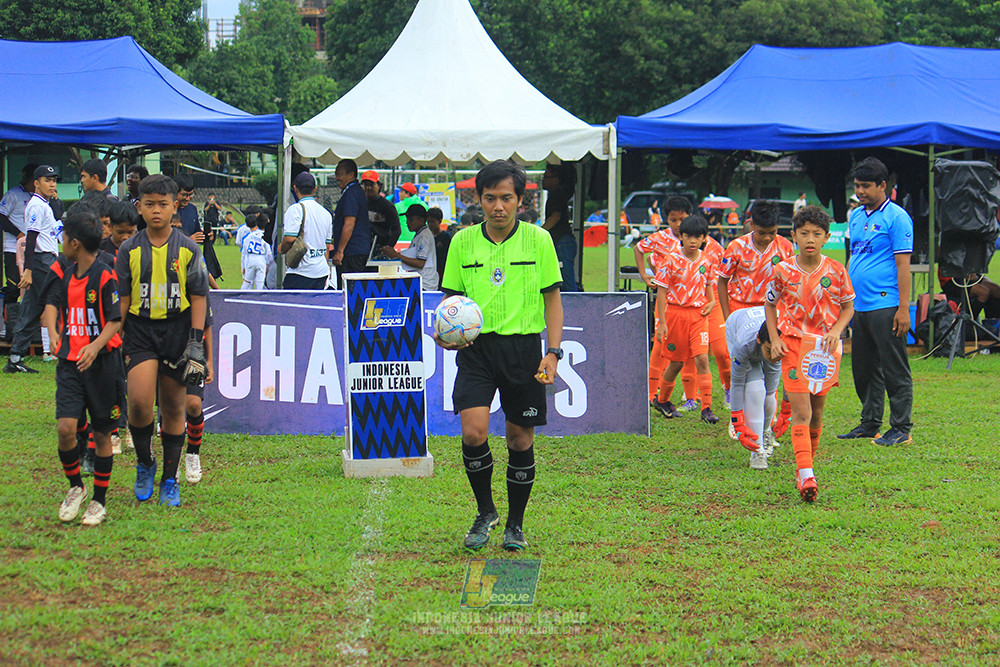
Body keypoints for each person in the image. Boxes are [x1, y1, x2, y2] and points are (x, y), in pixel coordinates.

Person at [436, 160, 563, 552]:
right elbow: (451, 301)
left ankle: (515, 524)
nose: (498, 207)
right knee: (473, 432)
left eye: (506, 198)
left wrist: (553, 352)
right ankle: (485, 510)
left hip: (524, 350)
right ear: (479, 199)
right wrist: (444, 333)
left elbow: (553, 300)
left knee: (519, 441)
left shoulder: (539, 240)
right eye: (490, 198)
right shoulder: (461, 241)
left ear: (520, 200)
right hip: (476, 350)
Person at [115, 174, 209, 507]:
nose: (157, 211)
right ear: (139, 207)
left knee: (172, 408)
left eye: (163, 204)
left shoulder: (188, 248)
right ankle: (145, 462)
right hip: (140, 331)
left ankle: (169, 478)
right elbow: (123, 300)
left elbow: (199, 296)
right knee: (139, 403)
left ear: (174, 207)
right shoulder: (128, 249)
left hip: (177, 331)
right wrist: (115, 335)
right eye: (150, 204)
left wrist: (196, 342)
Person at [765, 205, 854, 502]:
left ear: (827, 237)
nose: (810, 239)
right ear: (794, 236)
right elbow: (770, 304)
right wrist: (775, 338)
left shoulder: (836, 270)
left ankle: (806, 465)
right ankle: (806, 475)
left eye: (817, 234)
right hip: (792, 345)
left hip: (824, 351)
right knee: (801, 412)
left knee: (817, 413)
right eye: (804, 233)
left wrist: (836, 330)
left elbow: (848, 307)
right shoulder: (782, 270)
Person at [43, 208, 124, 526]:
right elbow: (51, 303)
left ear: (74, 242)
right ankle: (76, 487)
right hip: (69, 363)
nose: (62, 242)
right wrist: (53, 332)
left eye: (64, 237)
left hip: (103, 364)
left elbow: (115, 321)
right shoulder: (64, 271)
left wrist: (95, 345)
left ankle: (99, 502)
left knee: (103, 434)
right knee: (66, 428)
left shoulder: (105, 275)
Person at [838, 157, 914, 447]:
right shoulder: (856, 216)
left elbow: (903, 265)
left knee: (894, 369)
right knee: (864, 369)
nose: (861, 191)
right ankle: (870, 423)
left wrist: (903, 309)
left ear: (883, 185)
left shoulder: (897, 217)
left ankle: (901, 428)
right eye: (857, 186)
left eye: (866, 186)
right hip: (859, 306)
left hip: (887, 305)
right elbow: (852, 258)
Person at [651, 214, 720, 424]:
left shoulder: (707, 261)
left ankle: (706, 408)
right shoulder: (670, 260)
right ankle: (662, 400)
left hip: (698, 317)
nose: (692, 241)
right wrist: (662, 323)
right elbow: (661, 293)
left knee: (701, 358)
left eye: (697, 237)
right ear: (681, 236)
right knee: (676, 363)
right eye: (688, 236)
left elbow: (709, 288)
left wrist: (710, 303)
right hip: (675, 316)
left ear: (704, 238)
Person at [633, 196, 692, 404]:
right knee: (660, 346)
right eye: (673, 220)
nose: (677, 225)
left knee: (690, 349)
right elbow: (639, 249)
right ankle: (650, 393)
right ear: (666, 219)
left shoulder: (696, 240)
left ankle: (691, 395)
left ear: (689, 217)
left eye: (681, 219)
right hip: (665, 303)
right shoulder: (660, 238)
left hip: (691, 306)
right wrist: (644, 274)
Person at [5, 166, 62, 375]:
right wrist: (28, 270)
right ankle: (58, 349)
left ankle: (15, 358)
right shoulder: (36, 205)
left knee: (30, 309)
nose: (52, 184)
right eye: (48, 180)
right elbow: (31, 239)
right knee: (57, 299)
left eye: (54, 180)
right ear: (36, 182)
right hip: (41, 261)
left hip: (43, 259)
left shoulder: (44, 205)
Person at [717, 200, 795, 319]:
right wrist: (727, 317)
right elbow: (722, 281)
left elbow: (791, 283)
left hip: (773, 309)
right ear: (752, 225)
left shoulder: (786, 247)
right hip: (740, 309)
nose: (767, 238)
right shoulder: (736, 247)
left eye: (772, 232)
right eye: (762, 233)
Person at [726, 306, 782, 470]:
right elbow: (736, 383)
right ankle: (757, 451)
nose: (773, 356)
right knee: (755, 388)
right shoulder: (743, 344)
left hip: (766, 333)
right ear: (759, 340)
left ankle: (765, 431)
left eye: (776, 349)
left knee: (770, 392)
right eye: (768, 350)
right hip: (738, 327)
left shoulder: (786, 335)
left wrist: (787, 406)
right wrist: (736, 419)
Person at [279, 171, 334, 290]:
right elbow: (327, 246)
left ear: (295, 187)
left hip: (301, 272)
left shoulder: (296, 209)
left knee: (295, 307)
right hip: (321, 272)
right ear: (315, 189)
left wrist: (281, 248)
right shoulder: (326, 213)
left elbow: (289, 239)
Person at [1, 163, 37, 337]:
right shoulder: (13, 194)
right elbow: (1, 216)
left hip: (33, 250)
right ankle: (10, 331)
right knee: (13, 288)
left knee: (33, 288)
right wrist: (18, 233)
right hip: (12, 250)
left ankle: (31, 331)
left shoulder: (40, 197)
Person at [329, 160, 370, 287]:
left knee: (349, 290)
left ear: (351, 174)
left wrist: (340, 251)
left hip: (352, 252)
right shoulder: (353, 192)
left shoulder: (352, 193)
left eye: (340, 174)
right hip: (354, 250)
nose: (337, 178)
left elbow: (349, 224)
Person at [380, 204, 437, 291]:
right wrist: (394, 254)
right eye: (407, 219)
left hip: (425, 284)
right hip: (420, 282)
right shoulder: (419, 235)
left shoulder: (424, 236)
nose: (407, 222)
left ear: (421, 220)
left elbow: (420, 263)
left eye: (411, 220)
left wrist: (396, 255)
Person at [541, 162, 579, 292]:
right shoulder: (557, 194)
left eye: (546, 177)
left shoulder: (556, 195)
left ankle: (576, 308)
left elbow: (555, 217)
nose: (543, 180)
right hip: (564, 242)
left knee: (567, 283)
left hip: (563, 243)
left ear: (556, 179)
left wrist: (539, 232)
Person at [360, 170, 401, 251]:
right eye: (365, 185)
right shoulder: (358, 204)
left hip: (379, 247)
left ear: (379, 186)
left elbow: (396, 230)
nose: (368, 188)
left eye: (371, 185)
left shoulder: (387, 206)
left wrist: (387, 247)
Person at [240, 213, 269, 290]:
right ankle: (258, 296)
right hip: (261, 258)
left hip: (251, 258)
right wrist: (268, 263)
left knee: (248, 280)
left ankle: (242, 294)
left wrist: (243, 266)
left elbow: (244, 252)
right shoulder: (265, 235)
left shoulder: (250, 236)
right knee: (260, 282)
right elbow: (268, 251)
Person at [427, 206, 450, 286]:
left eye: (432, 222)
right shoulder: (427, 237)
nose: (430, 225)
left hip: (443, 272)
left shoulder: (446, 237)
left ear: (439, 221)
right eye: (428, 222)